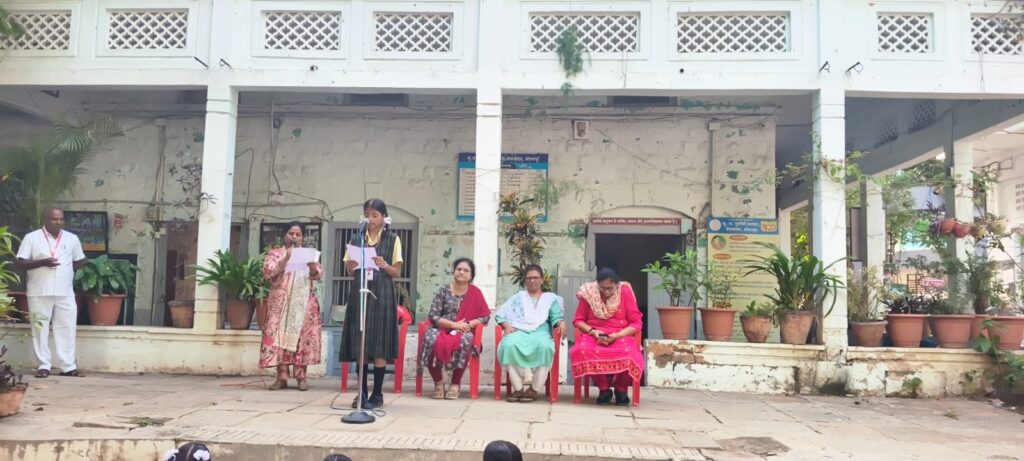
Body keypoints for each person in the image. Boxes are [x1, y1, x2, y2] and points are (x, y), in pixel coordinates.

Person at [339, 199, 402, 409]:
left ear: (384, 217)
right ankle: (362, 393)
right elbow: (349, 271)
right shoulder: (357, 238)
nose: (371, 219)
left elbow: (396, 272)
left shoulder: (393, 239)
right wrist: (351, 265)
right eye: (367, 215)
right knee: (361, 344)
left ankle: (377, 394)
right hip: (360, 292)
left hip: (382, 293)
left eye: (375, 215)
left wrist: (384, 265)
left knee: (380, 344)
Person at [15, 207, 86, 379]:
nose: (59, 222)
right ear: (45, 220)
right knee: (40, 329)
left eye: (61, 219)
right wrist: (42, 263)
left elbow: (80, 261)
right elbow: (20, 262)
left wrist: (66, 272)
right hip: (39, 290)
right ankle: (43, 365)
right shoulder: (32, 238)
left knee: (67, 328)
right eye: (55, 219)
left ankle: (68, 366)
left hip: (65, 291)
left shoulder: (72, 238)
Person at [259, 222, 323, 391]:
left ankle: (301, 378)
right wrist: (285, 258)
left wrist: (312, 267)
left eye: (298, 234)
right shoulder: (275, 253)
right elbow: (267, 272)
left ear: (302, 238)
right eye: (291, 233)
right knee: (279, 339)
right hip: (281, 305)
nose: (294, 237)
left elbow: (318, 275)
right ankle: (281, 378)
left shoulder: (309, 254)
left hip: (303, 304)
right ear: (285, 235)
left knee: (302, 338)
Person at [417, 257, 490, 400]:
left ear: (471, 275)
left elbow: (485, 317)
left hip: (464, 330)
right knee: (430, 338)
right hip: (442, 328)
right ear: (454, 271)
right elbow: (433, 316)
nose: (461, 272)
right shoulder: (443, 291)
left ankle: (455, 384)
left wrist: (468, 324)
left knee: (466, 339)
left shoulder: (475, 292)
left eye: (466, 270)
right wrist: (455, 325)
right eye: (459, 269)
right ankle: (438, 382)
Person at [570, 268, 643, 406]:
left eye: (610, 288)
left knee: (628, 352)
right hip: (594, 335)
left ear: (617, 285)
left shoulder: (625, 291)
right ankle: (603, 389)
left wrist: (617, 335)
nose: (606, 292)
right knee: (583, 350)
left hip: (621, 334)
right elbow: (578, 320)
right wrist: (593, 331)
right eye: (602, 288)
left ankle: (621, 389)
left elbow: (636, 323)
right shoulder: (589, 293)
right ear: (597, 285)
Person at [495, 264, 564, 403]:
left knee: (546, 347)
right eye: (529, 278)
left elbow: (556, 317)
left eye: (535, 278)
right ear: (525, 281)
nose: (532, 280)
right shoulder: (517, 298)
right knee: (508, 345)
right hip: (519, 331)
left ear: (542, 280)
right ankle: (518, 388)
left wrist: (561, 322)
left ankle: (534, 388)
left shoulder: (550, 299)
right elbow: (500, 315)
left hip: (540, 333)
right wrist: (506, 325)